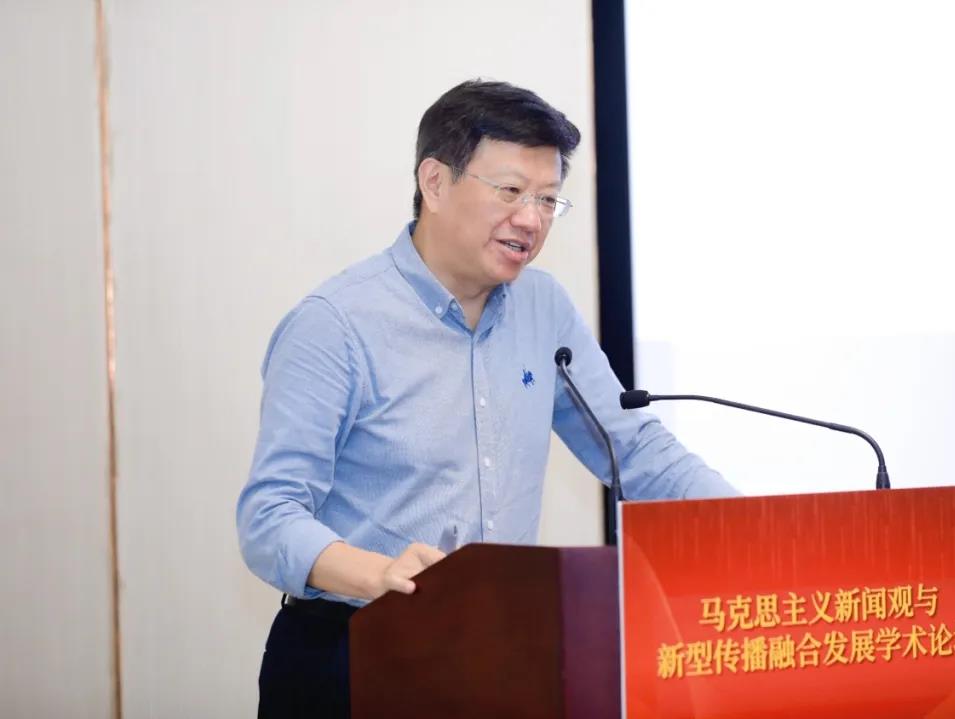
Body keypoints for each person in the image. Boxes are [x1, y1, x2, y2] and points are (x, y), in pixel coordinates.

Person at [236, 79, 738, 717]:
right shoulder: (335, 324)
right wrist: (379, 574)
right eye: (510, 191)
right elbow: (269, 517)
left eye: (548, 199)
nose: (531, 219)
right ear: (435, 182)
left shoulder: (543, 307)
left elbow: (635, 450)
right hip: (354, 649)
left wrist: (751, 527)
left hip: (496, 650)